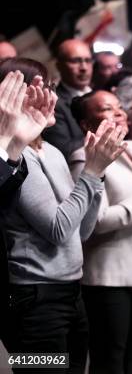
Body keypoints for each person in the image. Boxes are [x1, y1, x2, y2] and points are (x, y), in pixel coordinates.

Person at [1, 57, 125, 373]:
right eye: (44, 89)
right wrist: (92, 171)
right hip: (34, 299)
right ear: (15, 95)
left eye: (53, 88)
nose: (54, 99)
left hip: (71, 292)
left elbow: (80, 232)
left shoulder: (52, 151)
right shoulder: (15, 155)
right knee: (39, 371)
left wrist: (96, 176)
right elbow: (58, 228)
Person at [72, 74, 132, 374]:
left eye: (119, 108)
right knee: (110, 360)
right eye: (106, 109)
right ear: (87, 124)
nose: (118, 113)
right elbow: (94, 222)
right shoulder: (81, 157)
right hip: (110, 278)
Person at [0, 67, 56, 341]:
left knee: (66, 365)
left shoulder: (47, 151)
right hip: (33, 293)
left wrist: (13, 146)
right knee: (39, 364)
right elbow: (59, 227)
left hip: (56, 293)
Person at [43, 39, 93, 158]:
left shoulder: (100, 95)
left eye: (88, 60)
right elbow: (63, 149)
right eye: (75, 61)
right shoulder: (54, 104)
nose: (84, 67)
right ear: (59, 65)